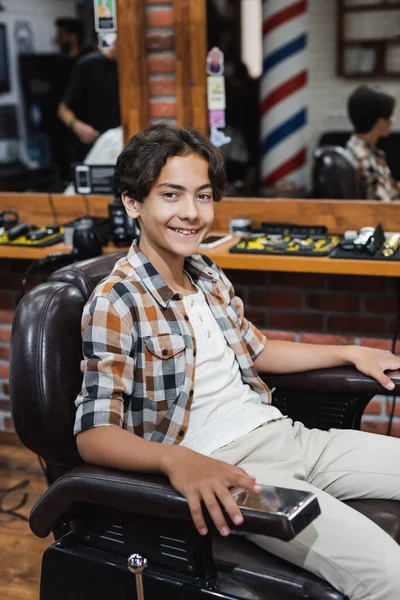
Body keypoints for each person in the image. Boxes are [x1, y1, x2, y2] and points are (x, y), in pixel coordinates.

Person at [74, 123, 400, 600]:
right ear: (132, 203)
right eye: (171, 195)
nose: (191, 213)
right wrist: (177, 461)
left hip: (289, 437)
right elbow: (93, 434)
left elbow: (257, 350)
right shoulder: (116, 301)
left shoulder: (206, 273)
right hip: (236, 476)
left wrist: (349, 351)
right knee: (389, 575)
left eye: (203, 196)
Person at [57, 42, 120, 161]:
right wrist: (76, 125)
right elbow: (63, 108)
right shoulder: (88, 65)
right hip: (92, 146)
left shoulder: (136, 68)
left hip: (125, 147)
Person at [346, 84, 400, 202]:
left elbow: (388, 188)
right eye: (391, 115)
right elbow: (384, 205)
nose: (393, 120)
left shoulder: (362, 149)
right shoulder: (364, 159)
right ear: (381, 122)